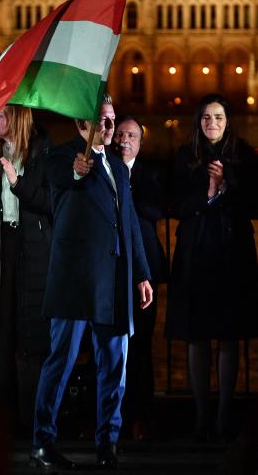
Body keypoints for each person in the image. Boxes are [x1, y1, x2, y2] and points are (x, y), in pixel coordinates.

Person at [30, 94, 152, 471]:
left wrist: (142, 274)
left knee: (114, 366)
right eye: (103, 121)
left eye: (112, 121)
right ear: (82, 124)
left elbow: (129, 223)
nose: (109, 128)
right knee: (60, 363)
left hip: (113, 281)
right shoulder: (61, 157)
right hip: (74, 282)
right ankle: (42, 441)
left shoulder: (118, 164)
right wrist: (77, 170)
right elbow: (61, 177)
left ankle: (108, 443)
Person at [165, 93, 258, 442]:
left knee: (230, 336)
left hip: (232, 253)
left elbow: (253, 200)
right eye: (206, 117)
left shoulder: (244, 156)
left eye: (218, 117)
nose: (212, 124)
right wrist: (208, 193)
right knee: (197, 335)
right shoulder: (186, 156)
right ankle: (202, 416)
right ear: (198, 122)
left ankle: (222, 416)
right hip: (198, 252)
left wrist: (228, 183)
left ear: (227, 121)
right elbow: (175, 202)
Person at [0, 105, 52, 434]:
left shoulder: (43, 153)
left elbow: (48, 202)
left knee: (31, 333)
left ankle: (31, 419)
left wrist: (16, 183)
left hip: (32, 249)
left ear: (17, 117)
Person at [113, 115, 168, 441]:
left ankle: (140, 417)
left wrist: (125, 191)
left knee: (142, 347)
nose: (124, 139)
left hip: (144, 267)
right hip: (111, 267)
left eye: (131, 135)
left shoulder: (150, 174)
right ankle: (108, 416)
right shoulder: (101, 169)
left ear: (140, 143)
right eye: (120, 133)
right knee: (106, 346)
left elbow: (158, 209)